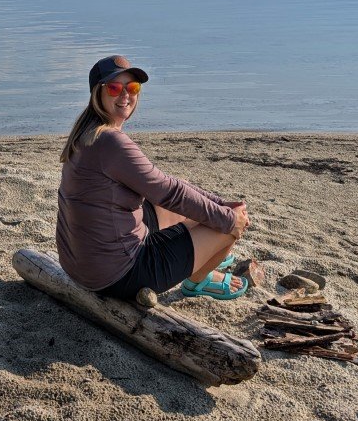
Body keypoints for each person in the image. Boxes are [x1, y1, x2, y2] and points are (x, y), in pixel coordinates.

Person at [55, 55, 258, 301]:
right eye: (115, 88)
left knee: (173, 202)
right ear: (97, 94)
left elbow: (165, 185)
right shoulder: (111, 142)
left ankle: (203, 252)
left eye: (132, 88)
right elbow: (172, 194)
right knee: (231, 227)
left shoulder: (86, 134)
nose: (125, 95)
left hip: (82, 266)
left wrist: (219, 202)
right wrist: (227, 218)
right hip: (118, 277)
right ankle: (198, 280)